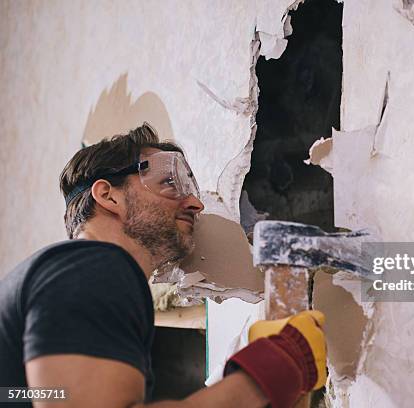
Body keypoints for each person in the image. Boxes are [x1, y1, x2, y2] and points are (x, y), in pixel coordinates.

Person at [0, 123, 326, 408]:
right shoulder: (93, 268)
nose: (195, 203)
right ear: (108, 196)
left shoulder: (67, 276)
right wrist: (268, 374)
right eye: (170, 183)